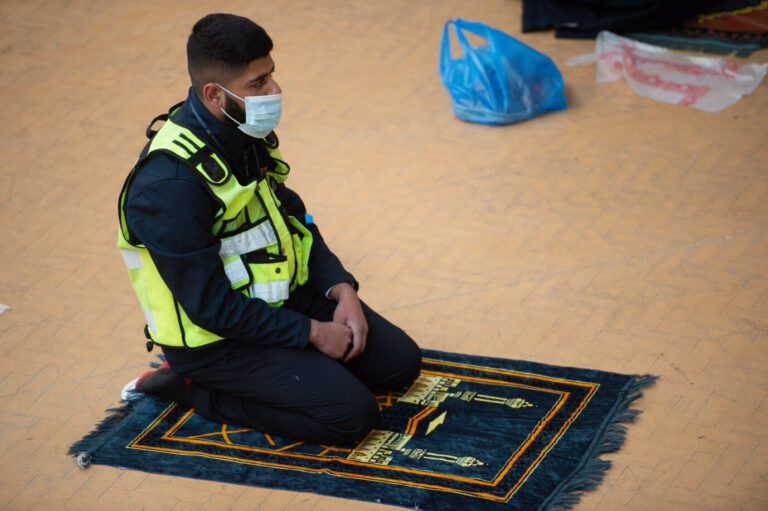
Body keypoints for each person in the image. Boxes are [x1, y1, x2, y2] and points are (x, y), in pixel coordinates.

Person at [118, 13, 421, 445]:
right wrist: (312, 333)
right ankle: (193, 389)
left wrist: (341, 289)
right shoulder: (168, 186)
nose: (274, 91)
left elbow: (292, 217)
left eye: (271, 75)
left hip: (276, 298)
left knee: (399, 364)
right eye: (257, 83)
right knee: (352, 418)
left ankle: (302, 368)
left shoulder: (240, 130)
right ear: (213, 94)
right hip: (215, 340)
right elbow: (210, 308)